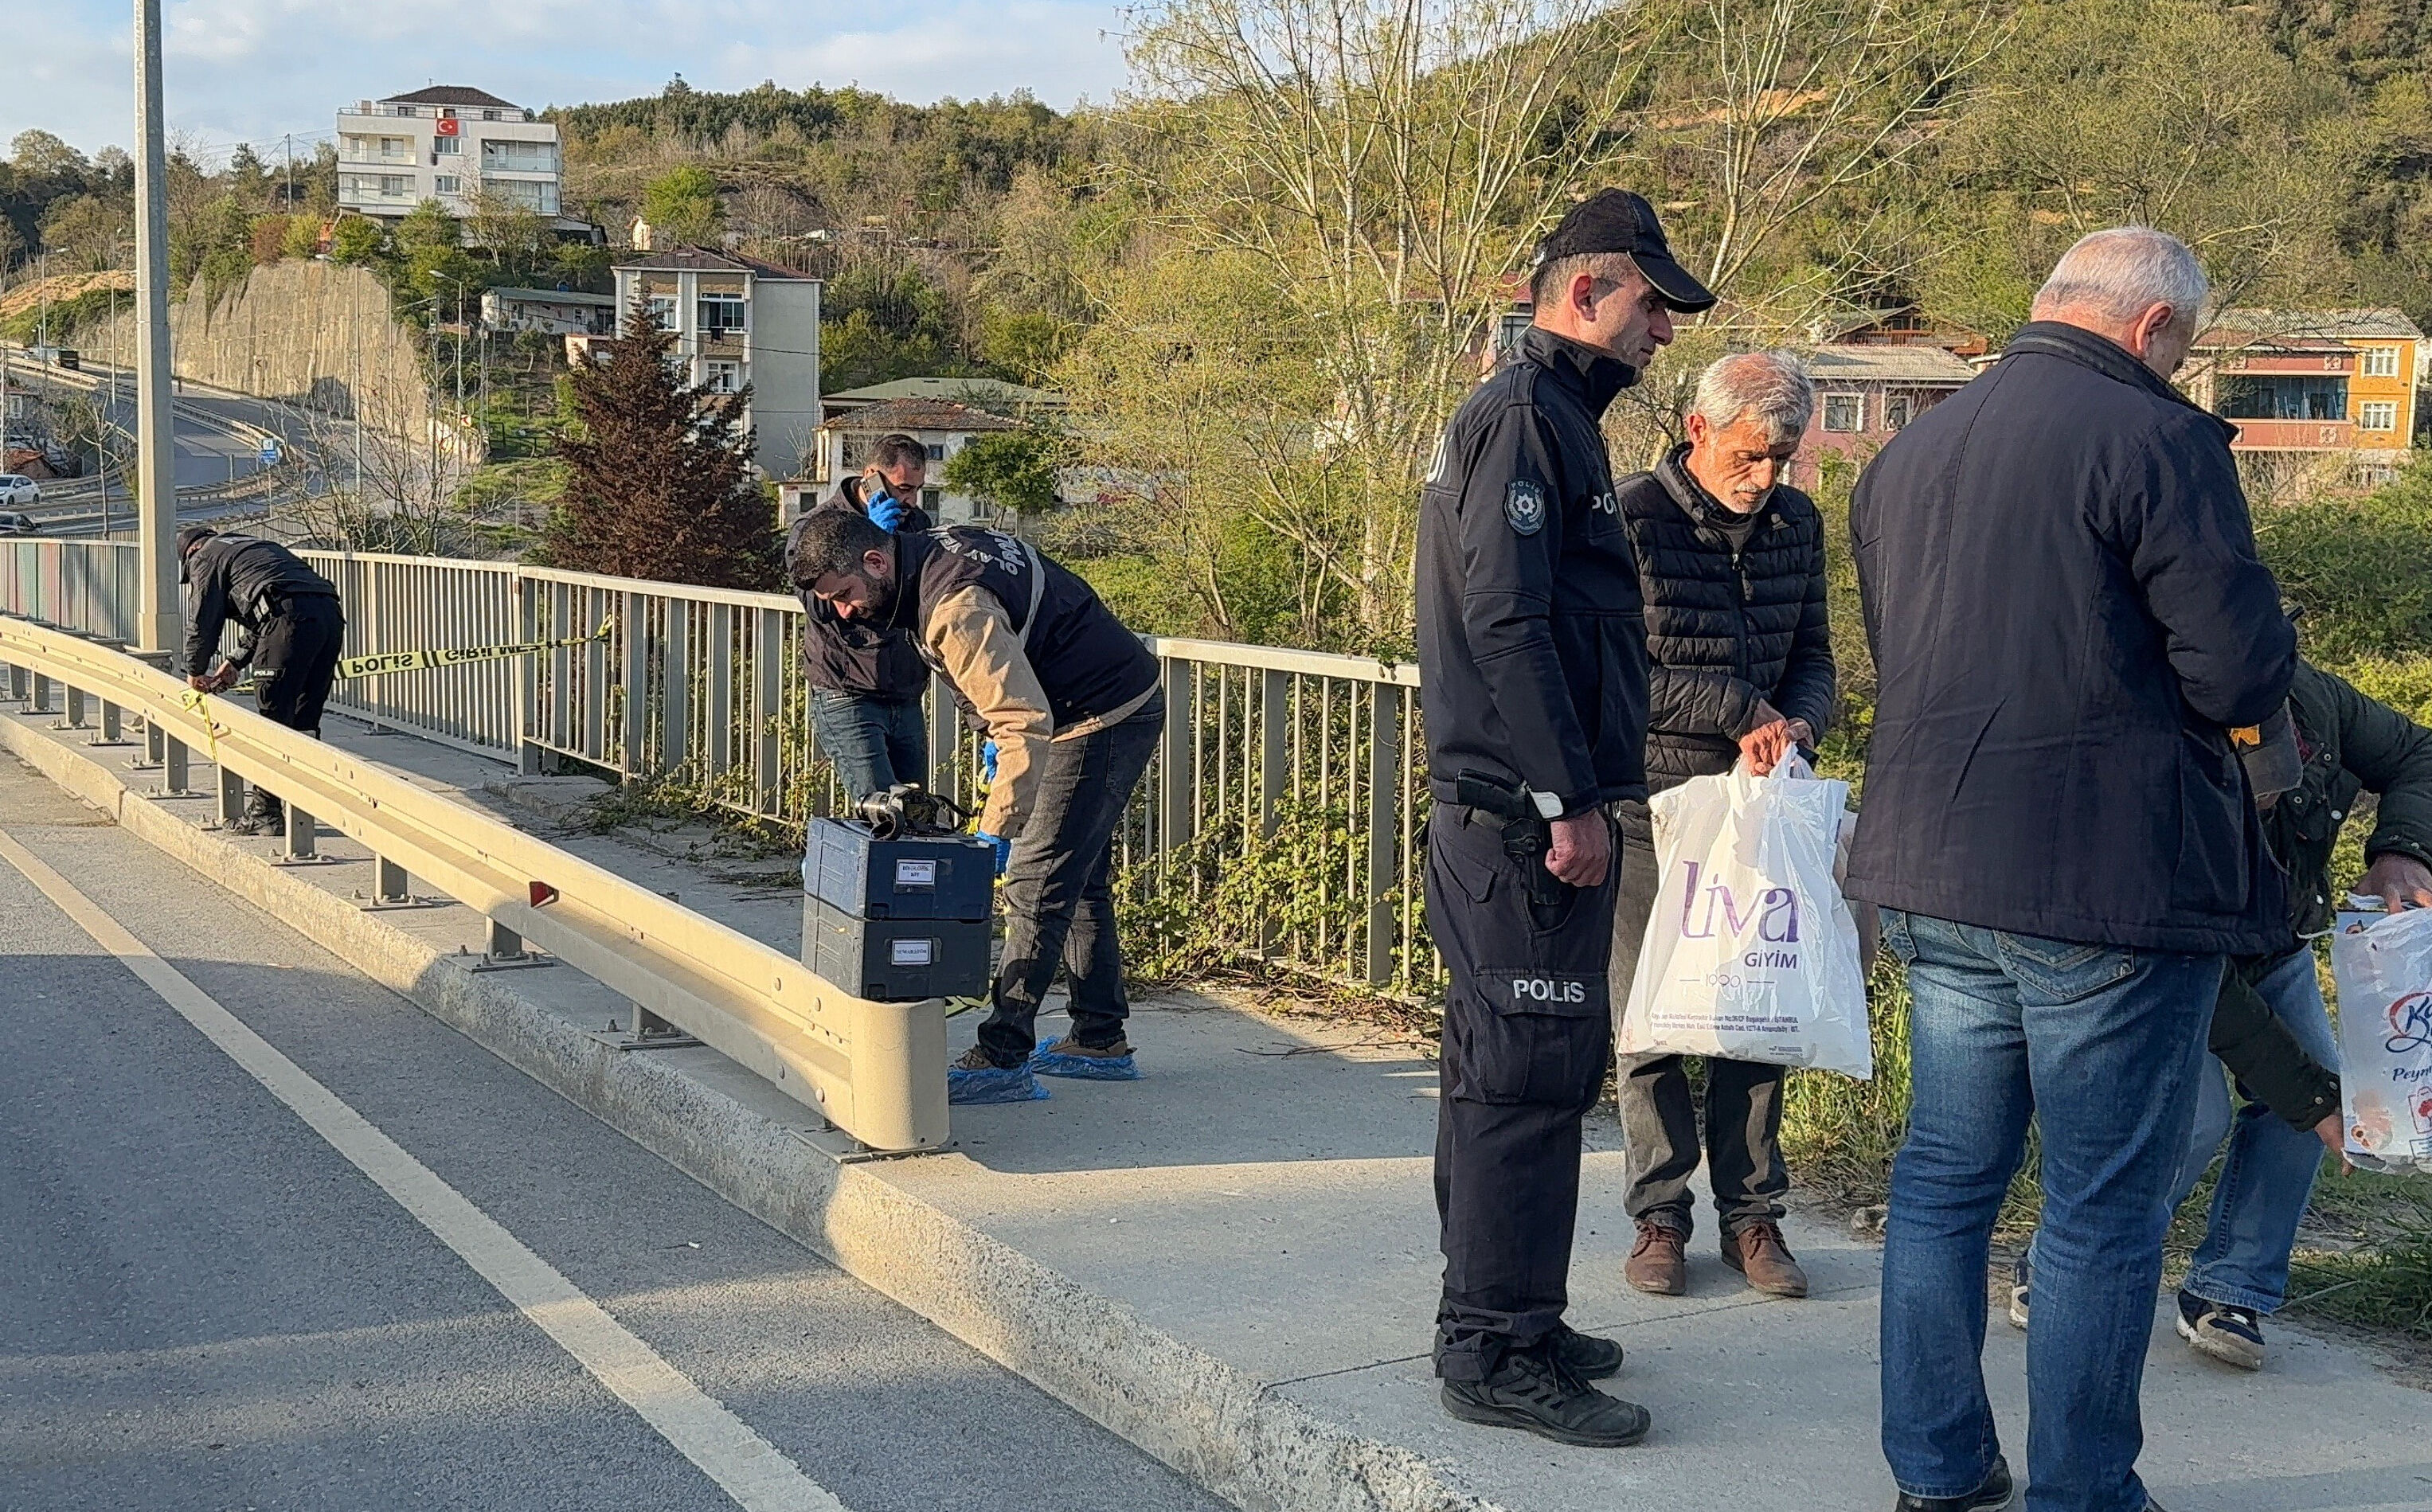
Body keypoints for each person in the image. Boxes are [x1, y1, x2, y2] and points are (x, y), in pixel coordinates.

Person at [1848, 226, 2297, 1512]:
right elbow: (2233, 672)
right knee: (2095, 1209)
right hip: (2099, 880)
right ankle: (2082, 1492)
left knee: (1940, 1180)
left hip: (1931, 865)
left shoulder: (1906, 450)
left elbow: (1903, 656)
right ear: (2153, 327)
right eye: (2186, 348)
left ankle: (1935, 1473)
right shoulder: (2155, 442)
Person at [1413, 187, 1715, 1448]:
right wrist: (1566, 797)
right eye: (1651, 303)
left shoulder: (1550, 416)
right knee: (1520, 1088)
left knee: (1520, 1080)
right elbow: (1508, 622)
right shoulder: (1528, 419)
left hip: (1516, 816)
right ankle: (1491, 1345)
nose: (1663, 330)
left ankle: (1514, 1318)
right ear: (1585, 291)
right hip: (1517, 822)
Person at [2012, 657, 2432, 1372]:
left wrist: (2403, 851)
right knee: (2195, 1115)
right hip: (2171, 955)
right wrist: (2310, 1102)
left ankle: (2230, 1287)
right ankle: (2063, 1258)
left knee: (2317, 1095)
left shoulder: (2316, 697)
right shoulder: (2137, 738)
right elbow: (2212, 994)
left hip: (2276, 939)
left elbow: (2419, 750)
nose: (2259, 805)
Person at [788, 513, 1163, 1105]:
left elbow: (1022, 719)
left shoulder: (953, 608)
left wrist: (994, 834)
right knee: (1079, 876)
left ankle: (1001, 1054)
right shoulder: (925, 554)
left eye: (844, 594)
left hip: (1098, 713)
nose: (842, 611)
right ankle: (1099, 1038)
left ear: (875, 562)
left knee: (1035, 880)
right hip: (1094, 694)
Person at [1610, 350, 1833, 1301]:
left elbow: (1815, 655)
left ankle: (1756, 1220)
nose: (1767, 477)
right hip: (1649, 806)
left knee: (1758, 1018)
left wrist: (1800, 724)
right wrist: (1739, 706)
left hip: (1758, 814)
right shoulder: (1630, 518)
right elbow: (1614, 672)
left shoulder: (1797, 523)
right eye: (1751, 455)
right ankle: (1660, 1216)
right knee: (1653, 1020)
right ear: (1699, 431)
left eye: (1783, 457)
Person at [788, 432, 936, 801]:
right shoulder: (816, 527)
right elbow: (820, 606)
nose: (909, 500)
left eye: (916, 490)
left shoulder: (915, 524)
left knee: (917, 812)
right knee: (882, 809)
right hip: (848, 689)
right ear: (871, 475)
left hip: (904, 688)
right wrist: (870, 540)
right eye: (902, 488)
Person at [178, 525, 346, 837]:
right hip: (329, 616)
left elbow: (203, 619)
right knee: (305, 720)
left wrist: (195, 669)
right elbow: (275, 603)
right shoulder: (255, 548)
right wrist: (236, 660)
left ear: (190, 554)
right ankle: (303, 806)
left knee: (274, 719)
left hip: (288, 622)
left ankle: (265, 813)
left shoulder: (205, 557)